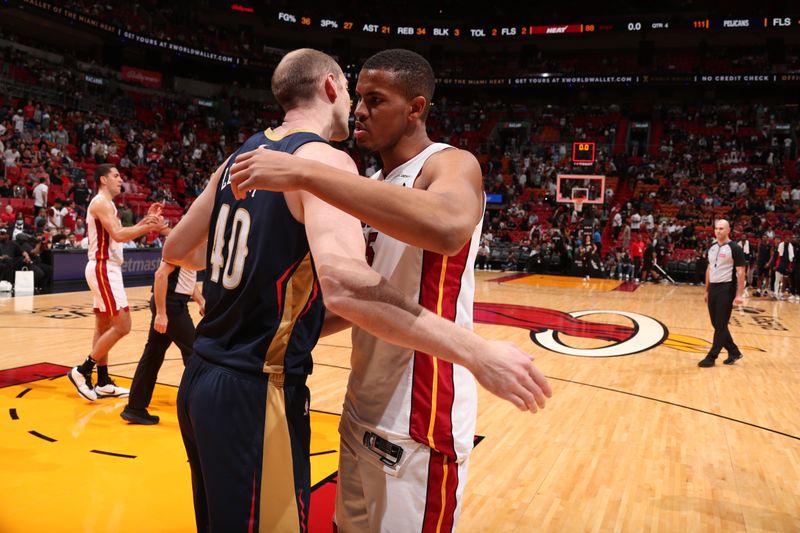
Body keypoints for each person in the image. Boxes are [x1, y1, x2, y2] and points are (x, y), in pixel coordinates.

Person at [163, 49, 550, 533]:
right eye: (357, 96)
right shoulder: (363, 182)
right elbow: (354, 298)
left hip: (421, 409)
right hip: (358, 401)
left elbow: (450, 226)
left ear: (416, 108)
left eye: (375, 99)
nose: (361, 109)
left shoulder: (449, 164)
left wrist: (307, 172)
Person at [66, 164, 165, 401]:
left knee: (102, 326)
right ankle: (82, 371)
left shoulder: (107, 204)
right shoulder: (100, 202)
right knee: (123, 326)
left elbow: (118, 233)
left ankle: (102, 381)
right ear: (103, 179)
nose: (121, 179)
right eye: (116, 176)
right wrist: (149, 226)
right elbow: (120, 235)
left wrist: (145, 221)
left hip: (105, 268)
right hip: (103, 268)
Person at [121, 249, 203, 425]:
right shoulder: (185, 242)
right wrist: (161, 313)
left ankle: (135, 408)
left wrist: (200, 300)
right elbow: (160, 275)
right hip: (170, 306)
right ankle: (198, 410)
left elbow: (186, 278)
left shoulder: (192, 243)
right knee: (195, 355)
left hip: (173, 303)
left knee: (153, 355)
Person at [698, 219, 745, 368]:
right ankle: (733, 351)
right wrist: (706, 290)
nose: (718, 231)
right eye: (716, 228)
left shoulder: (735, 248)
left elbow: (741, 271)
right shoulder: (711, 248)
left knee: (721, 324)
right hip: (714, 288)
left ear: (728, 230)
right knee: (716, 323)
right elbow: (709, 269)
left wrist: (739, 294)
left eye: (721, 229)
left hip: (727, 288)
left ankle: (712, 356)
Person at [773, 234, 794, 300]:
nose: (787, 240)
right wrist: (775, 265)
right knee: (777, 280)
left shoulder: (791, 247)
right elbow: (775, 257)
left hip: (787, 266)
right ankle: (776, 293)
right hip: (779, 265)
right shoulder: (780, 246)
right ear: (784, 240)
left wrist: (790, 267)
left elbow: (791, 258)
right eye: (786, 239)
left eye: (788, 239)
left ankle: (781, 293)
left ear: (789, 240)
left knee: (784, 281)